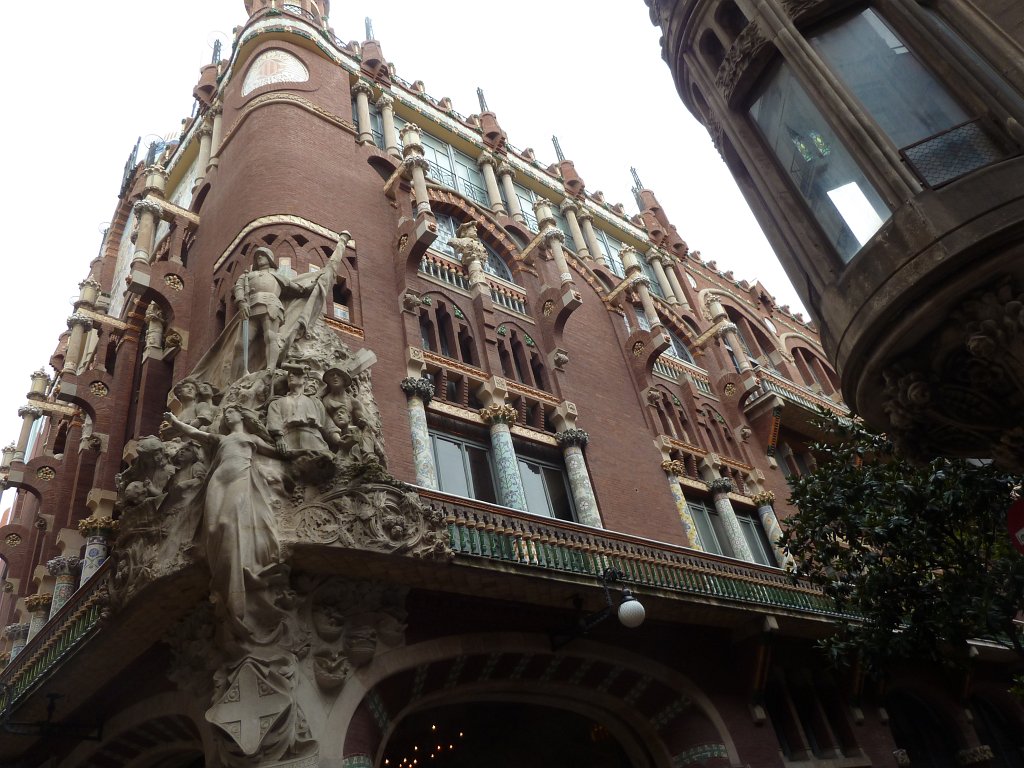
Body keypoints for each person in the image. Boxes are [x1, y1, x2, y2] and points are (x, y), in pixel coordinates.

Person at [162, 405, 281, 629]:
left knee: (229, 522)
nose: (228, 414)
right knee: (214, 526)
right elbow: (196, 433)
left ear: (243, 415)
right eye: (225, 413)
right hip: (218, 479)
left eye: (232, 412)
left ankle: (239, 573)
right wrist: (176, 423)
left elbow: (278, 452)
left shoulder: (252, 438)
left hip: (240, 477)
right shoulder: (220, 439)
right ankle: (222, 574)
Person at [267, 365, 341, 458]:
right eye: (289, 374)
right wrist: (279, 439)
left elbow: (328, 426)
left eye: (296, 374)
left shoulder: (315, 402)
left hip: (315, 441)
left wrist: (340, 441)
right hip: (289, 443)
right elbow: (274, 423)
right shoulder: (277, 403)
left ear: (305, 380)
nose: (291, 376)